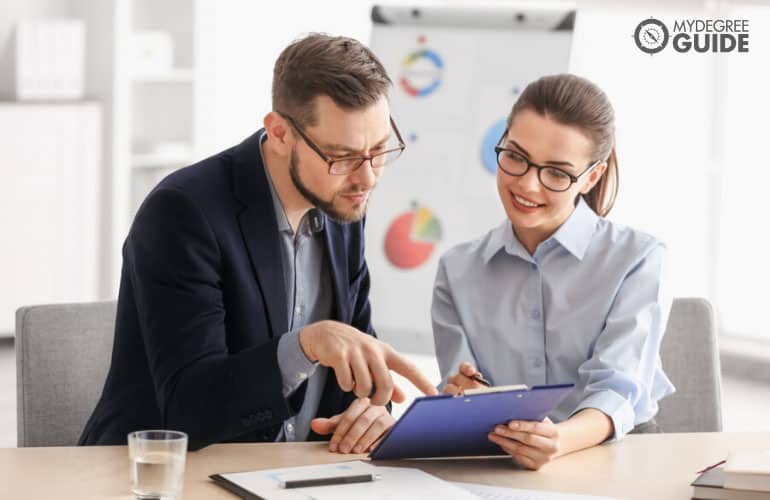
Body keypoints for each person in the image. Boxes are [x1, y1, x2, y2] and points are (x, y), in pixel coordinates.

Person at [80, 33, 437, 452]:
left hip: (299, 471)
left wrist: (371, 411)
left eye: (379, 150)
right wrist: (306, 345)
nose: (368, 177)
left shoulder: (343, 203)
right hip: (165, 471)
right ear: (281, 133)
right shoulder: (183, 213)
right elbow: (188, 409)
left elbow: (356, 356)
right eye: (342, 157)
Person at [432, 74, 674, 470]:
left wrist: (556, 440)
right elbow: (459, 391)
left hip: (614, 460)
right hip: (501, 464)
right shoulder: (456, 271)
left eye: (558, 174)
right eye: (515, 156)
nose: (527, 184)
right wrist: (465, 395)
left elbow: (616, 391)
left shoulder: (638, 257)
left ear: (591, 177)